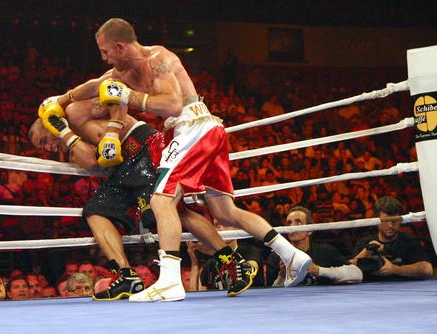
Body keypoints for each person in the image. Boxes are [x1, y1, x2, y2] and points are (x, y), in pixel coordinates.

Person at [43, 18, 310, 301]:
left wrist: (130, 96)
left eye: (106, 51)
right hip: (199, 131)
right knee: (224, 212)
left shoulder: (158, 58)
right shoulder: (124, 71)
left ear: (120, 46)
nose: (103, 57)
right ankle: (291, 255)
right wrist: (60, 100)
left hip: (192, 125)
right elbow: (96, 85)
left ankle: (170, 281)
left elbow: (172, 104)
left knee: (161, 199)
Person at [32, 98, 256, 299]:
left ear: (47, 123)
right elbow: (91, 161)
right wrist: (64, 134)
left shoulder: (74, 110)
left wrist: (64, 122)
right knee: (95, 211)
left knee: (174, 212)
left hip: (143, 149)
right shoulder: (71, 144)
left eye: (44, 141)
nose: (49, 148)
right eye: (43, 148)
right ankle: (125, 274)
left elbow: (115, 98)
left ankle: (233, 261)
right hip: (121, 171)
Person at [266, 206, 362, 286]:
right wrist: (283, 275)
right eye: (289, 223)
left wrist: (318, 270)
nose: (292, 226)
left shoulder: (325, 252)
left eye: (298, 222)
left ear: (310, 230)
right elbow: (269, 291)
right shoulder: (277, 256)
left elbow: (357, 273)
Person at [349, 196, 433, 281]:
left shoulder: (409, 242)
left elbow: (428, 270)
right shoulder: (364, 243)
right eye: (386, 220)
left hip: (404, 291)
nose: (390, 225)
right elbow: (348, 270)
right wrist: (364, 253)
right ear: (376, 221)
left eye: (395, 220)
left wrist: (395, 269)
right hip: (368, 291)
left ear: (400, 219)